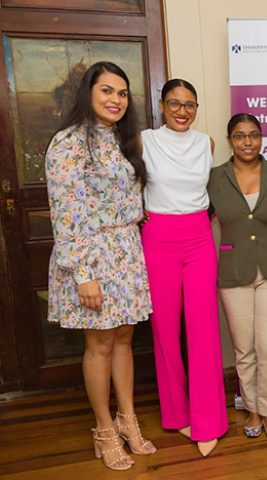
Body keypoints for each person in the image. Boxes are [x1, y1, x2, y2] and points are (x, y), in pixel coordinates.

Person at [45, 61, 155, 471]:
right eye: (107, 90)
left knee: (124, 338)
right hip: (91, 255)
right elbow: (66, 212)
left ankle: (128, 419)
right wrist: (83, 273)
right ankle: (104, 429)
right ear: (88, 93)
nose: (115, 100)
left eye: (122, 93)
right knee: (100, 343)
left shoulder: (122, 140)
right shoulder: (69, 142)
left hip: (126, 250)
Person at [140, 79, 227, 457]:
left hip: (198, 238)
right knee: (164, 328)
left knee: (203, 327)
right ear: (161, 105)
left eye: (190, 104)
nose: (182, 111)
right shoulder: (144, 141)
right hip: (158, 238)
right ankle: (176, 413)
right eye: (174, 103)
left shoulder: (206, 143)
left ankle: (209, 420)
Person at [207, 113, 267, 442]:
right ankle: (252, 409)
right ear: (230, 140)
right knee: (244, 349)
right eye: (240, 136)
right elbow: (199, 217)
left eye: (254, 135)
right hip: (233, 271)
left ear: (261, 138)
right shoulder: (214, 178)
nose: (247, 142)